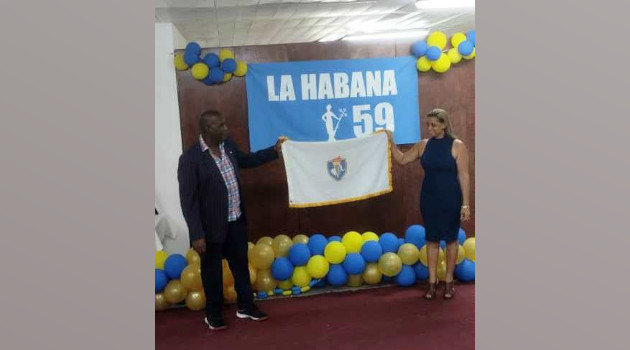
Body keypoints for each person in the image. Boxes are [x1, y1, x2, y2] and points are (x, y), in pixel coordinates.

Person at [178, 109, 287, 330]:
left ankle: (246, 306)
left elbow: (248, 160)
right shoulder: (190, 159)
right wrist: (196, 234)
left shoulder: (228, 146)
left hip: (236, 220)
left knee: (240, 267)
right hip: (210, 229)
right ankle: (213, 314)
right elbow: (188, 201)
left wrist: (274, 152)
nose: (227, 128)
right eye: (222, 125)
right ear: (209, 129)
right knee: (213, 274)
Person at [386, 108, 470, 300]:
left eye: (433, 125)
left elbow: (464, 176)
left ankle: (449, 282)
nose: (429, 128)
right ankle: (432, 283)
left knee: (451, 240)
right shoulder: (423, 145)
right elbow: (402, 159)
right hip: (429, 199)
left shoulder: (457, 145)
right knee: (431, 240)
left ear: (443, 125)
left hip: (451, 199)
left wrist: (466, 204)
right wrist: (391, 141)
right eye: (427, 124)